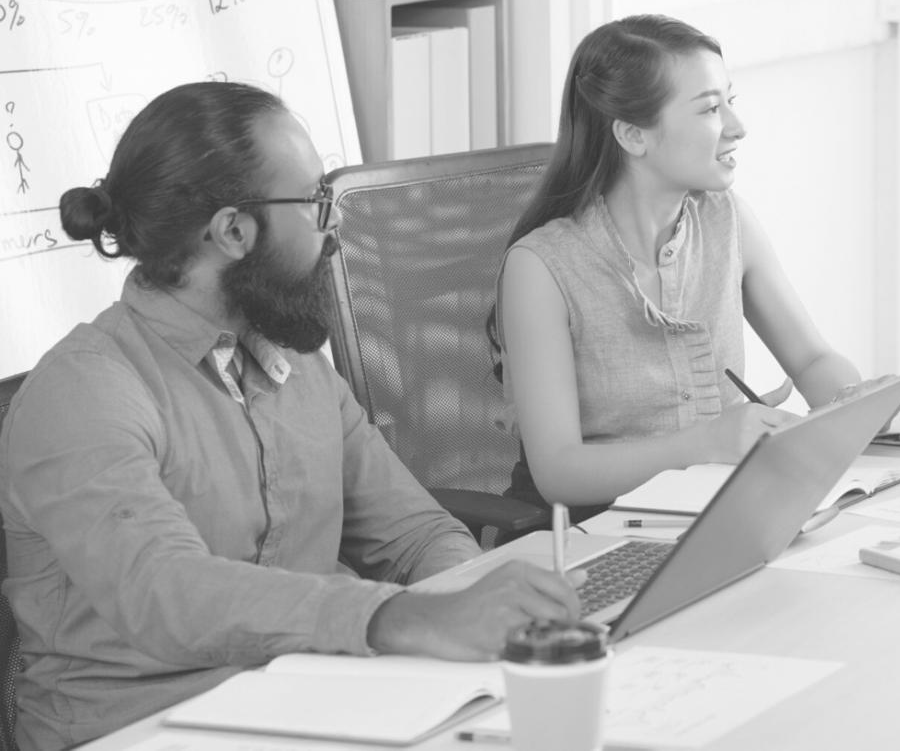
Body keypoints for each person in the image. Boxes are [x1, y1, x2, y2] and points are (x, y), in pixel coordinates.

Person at [0, 83, 581, 750]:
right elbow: (164, 590)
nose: (335, 228)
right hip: (143, 729)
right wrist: (400, 619)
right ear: (233, 231)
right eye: (315, 203)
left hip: (309, 703)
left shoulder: (297, 365)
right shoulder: (84, 392)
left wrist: (477, 606)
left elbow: (412, 535)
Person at [494, 14, 861, 512]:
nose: (737, 127)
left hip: (724, 509)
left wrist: (856, 405)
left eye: (731, 102)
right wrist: (706, 443)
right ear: (633, 135)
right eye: (711, 109)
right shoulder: (540, 268)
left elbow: (812, 359)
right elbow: (559, 472)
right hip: (598, 532)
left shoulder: (728, 221)